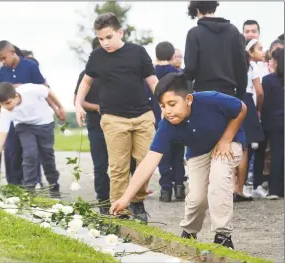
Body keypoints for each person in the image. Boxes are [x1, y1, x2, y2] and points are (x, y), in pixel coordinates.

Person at [110, 72, 247, 249]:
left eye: (172, 104)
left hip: (226, 143)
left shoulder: (211, 99)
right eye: (163, 106)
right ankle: (189, 232)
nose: (168, 111)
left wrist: (226, 138)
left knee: (218, 181)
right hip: (198, 152)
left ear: (188, 99)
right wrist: (126, 198)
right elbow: (149, 162)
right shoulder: (166, 126)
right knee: (197, 198)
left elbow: (241, 108)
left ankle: (223, 236)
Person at [75, 12, 159, 222]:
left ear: (120, 32)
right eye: (101, 39)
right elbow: (86, 82)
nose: (105, 43)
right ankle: (119, 210)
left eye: (109, 37)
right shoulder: (97, 57)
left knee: (146, 163)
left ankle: (137, 201)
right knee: (118, 167)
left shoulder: (138, 52)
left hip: (143, 116)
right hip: (113, 119)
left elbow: (152, 81)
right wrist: (78, 104)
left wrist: (165, 105)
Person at [0, 41, 65, 186]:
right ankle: (24, 187)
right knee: (21, 153)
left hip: (40, 119)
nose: (2, 62)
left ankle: (51, 185)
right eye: (0, 60)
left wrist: (57, 108)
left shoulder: (30, 68)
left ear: (12, 52)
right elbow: (2, 97)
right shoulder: (3, 73)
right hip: (19, 121)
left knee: (45, 155)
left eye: (4, 58)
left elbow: (45, 91)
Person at [0, 82, 62, 197]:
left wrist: (60, 107)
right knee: (30, 154)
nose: (6, 107)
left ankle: (54, 187)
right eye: (3, 104)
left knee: (47, 156)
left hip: (44, 123)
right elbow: (1, 136)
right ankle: (29, 191)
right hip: (24, 126)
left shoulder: (29, 90)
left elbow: (47, 91)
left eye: (8, 103)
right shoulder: (5, 110)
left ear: (16, 96)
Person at [74, 37, 110, 214]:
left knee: (123, 164)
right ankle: (103, 201)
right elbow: (79, 101)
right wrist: (97, 108)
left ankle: (128, 200)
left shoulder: (114, 72)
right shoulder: (85, 75)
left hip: (117, 124)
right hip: (96, 125)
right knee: (100, 165)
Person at [184, 1, 247, 100]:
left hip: (203, 94)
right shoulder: (233, 31)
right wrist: (240, 93)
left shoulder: (194, 33)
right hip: (229, 94)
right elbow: (241, 66)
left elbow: (191, 68)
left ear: (197, 10)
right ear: (214, 8)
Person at [154, 41, 186, 202]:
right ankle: (179, 187)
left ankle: (165, 190)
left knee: (163, 155)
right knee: (178, 155)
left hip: (158, 119)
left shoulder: (151, 74)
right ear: (172, 55)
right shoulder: (178, 74)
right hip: (177, 117)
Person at [236, 39, 266, 200]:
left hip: (232, 100)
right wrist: (258, 109)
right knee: (245, 148)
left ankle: (229, 187)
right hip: (247, 102)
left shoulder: (231, 62)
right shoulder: (251, 66)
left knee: (233, 145)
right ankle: (239, 189)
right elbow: (259, 92)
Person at [261, 48, 284, 200]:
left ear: (275, 61)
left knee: (276, 155)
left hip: (275, 122)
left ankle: (274, 189)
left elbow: (266, 104)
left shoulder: (268, 80)